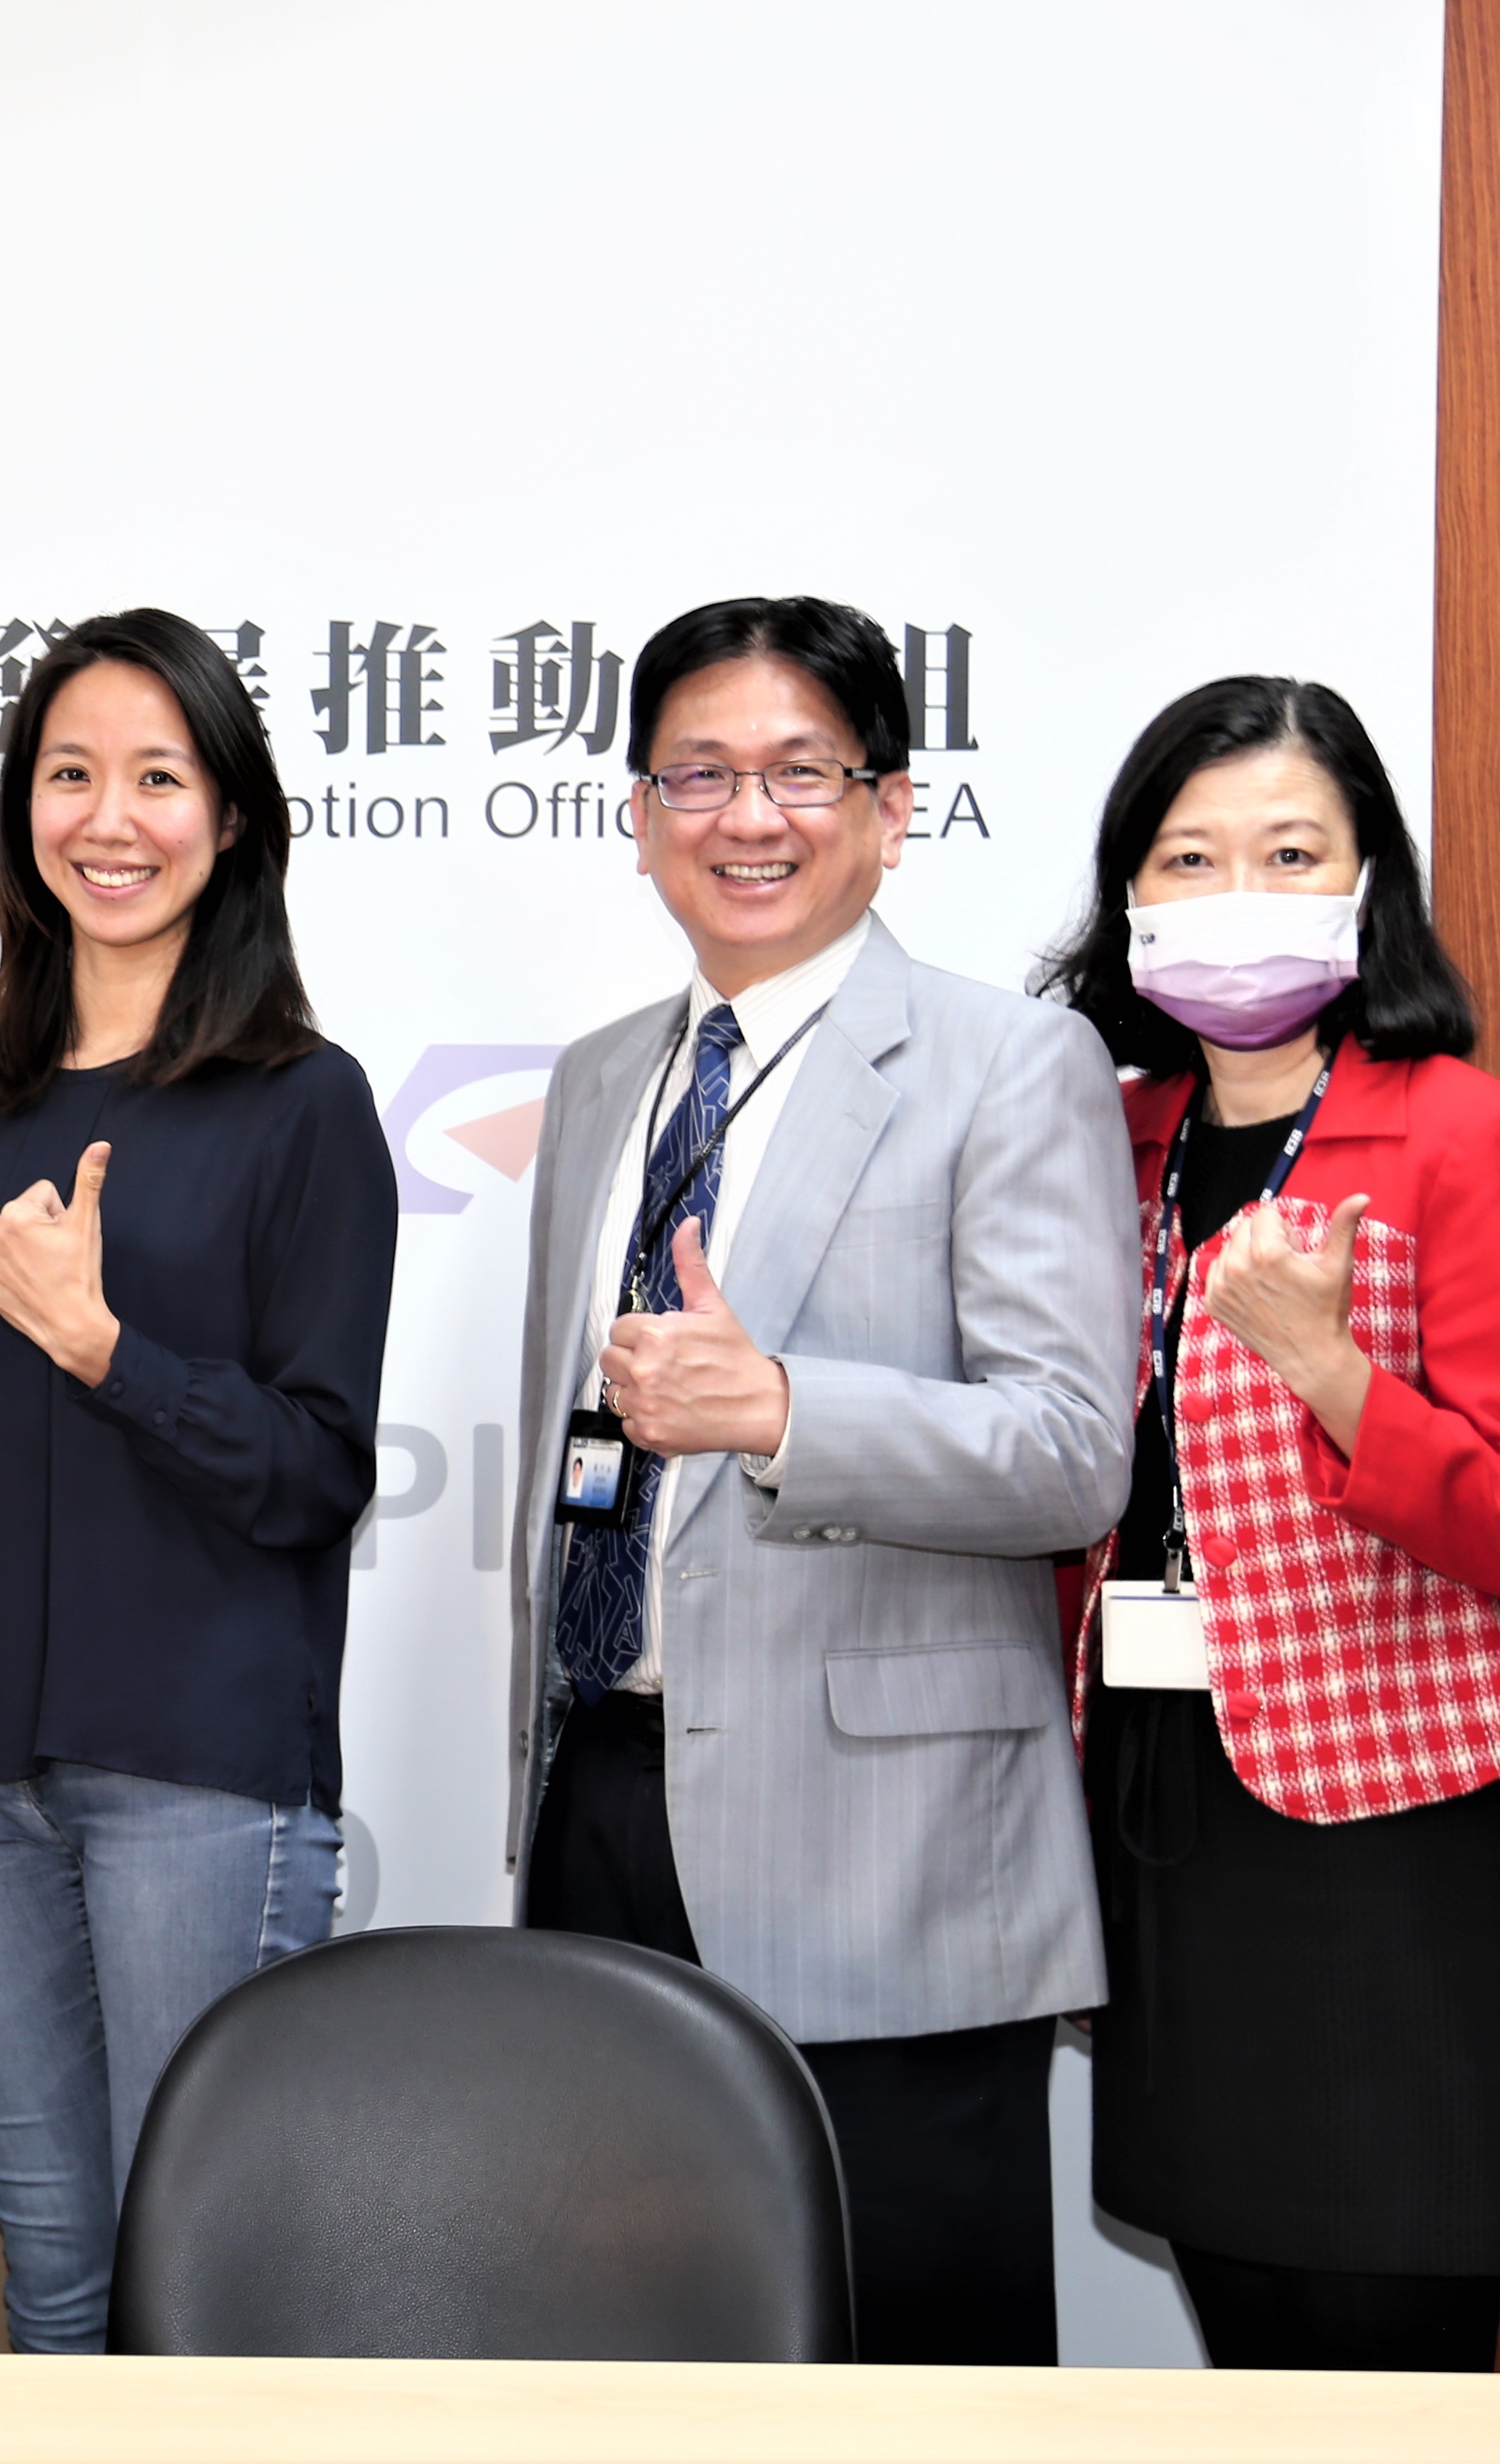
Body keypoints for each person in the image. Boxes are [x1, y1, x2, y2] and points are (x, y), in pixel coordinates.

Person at [505, 596, 1136, 2365]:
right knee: (632, 2345)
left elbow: (1070, 1450)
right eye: (698, 774)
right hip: (605, 1796)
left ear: (893, 804)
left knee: (912, 2359)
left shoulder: (1009, 1061)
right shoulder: (602, 1076)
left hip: (888, 1849)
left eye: (800, 770)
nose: (748, 815)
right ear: (641, 814)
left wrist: (782, 1408)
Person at [0, 609, 397, 2353]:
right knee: (55, 2281)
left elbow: (317, 1470)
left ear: (232, 817)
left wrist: (105, 1348)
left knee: (202, 2291)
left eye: (159, 776)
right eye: (71, 774)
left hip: (199, 1779)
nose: (110, 819)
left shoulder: (305, 1106)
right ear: (22, 812)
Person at [1037, 677, 1500, 2370]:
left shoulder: (1468, 1134)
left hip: (1381, 1836)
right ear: (1131, 894)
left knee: (1382, 2326)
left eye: (1289, 853)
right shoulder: (1105, 1135)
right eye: (1189, 858)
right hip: (1153, 1803)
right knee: (1242, 2313)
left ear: (1369, 882)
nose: (1236, 896)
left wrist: (1332, 1369)